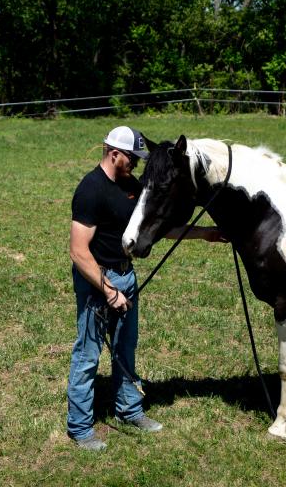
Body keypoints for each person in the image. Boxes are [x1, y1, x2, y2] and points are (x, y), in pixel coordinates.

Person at [67, 125, 222, 451]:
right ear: (113, 154)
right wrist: (109, 290)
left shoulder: (131, 187)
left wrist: (205, 234)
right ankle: (80, 428)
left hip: (127, 277)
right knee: (87, 356)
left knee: (125, 349)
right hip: (99, 281)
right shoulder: (90, 190)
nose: (136, 165)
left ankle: (129, 410)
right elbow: (78, 251)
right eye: (132, 159)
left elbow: (155, 227)